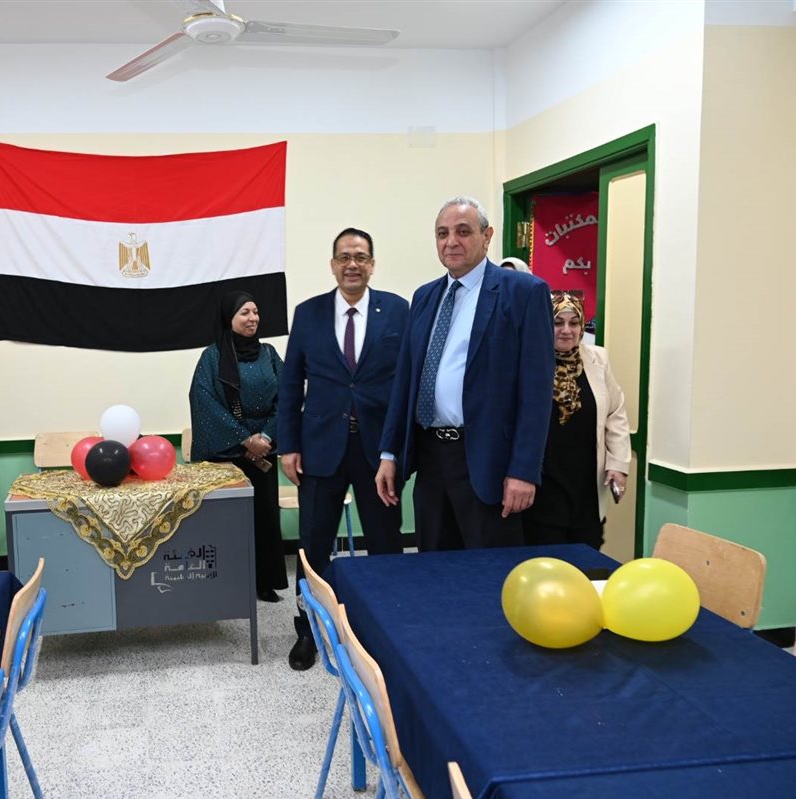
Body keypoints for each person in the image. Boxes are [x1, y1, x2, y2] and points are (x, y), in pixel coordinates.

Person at [376, 196, 555, 550]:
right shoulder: (424, 297)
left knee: (488, 572)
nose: (451, 242)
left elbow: (536, 393)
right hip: (430, 459)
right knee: (435, 567)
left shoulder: (524, 293)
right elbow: (406, 383)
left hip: (488, 462)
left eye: (463, 231)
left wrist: (523, 470)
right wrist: (389, 453)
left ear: (487, 236)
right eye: (442, 233)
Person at [277, 227, 408, 671]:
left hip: (378, 453)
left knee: (386, 543)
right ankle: (308, 629)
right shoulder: (308, 313)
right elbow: (291, 384)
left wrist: (397, 448)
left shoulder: (397, 310)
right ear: (333, 264)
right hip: (320, 449)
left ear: (372, 264)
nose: (353, 264)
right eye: (344, 257)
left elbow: (406, 385)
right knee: (313, 545)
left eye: (361, 257)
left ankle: (386, 629)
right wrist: (289, 445)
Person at [189, 291, 287, 602]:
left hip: (264, 452)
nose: (253, 318)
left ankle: (264, 581)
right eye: (245, 312)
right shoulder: (212, 356)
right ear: (228, 318)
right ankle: (228, 583)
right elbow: (203, 400)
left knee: (265, 517)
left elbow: (287, 397)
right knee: (229, 521)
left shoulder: (269, 354)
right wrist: (245, 439)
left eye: (255, 312)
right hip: (228, 452)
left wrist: (265, 438)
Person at [522, 292, 631, 549]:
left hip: (586, 485)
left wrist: (618, 465)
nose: (566, 330)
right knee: (546, 559)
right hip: (544, 483)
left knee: (587, 557)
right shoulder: (529, 360)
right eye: (557, 322)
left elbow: (615, 413)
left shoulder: (598, 359)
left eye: (574, 323)